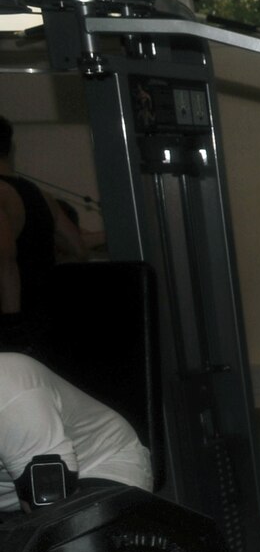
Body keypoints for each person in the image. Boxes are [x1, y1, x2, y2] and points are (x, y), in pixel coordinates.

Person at [0, 351, 151, 512]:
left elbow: (51, 508)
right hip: (13, 495)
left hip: (99, 463)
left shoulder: (13, 396)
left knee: (73, 531)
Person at [0, 113, 88, 316]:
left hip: (17, 322)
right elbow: (79, 249)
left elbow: (5, 264)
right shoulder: (43, 196)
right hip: (47, 312)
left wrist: (12, 326)